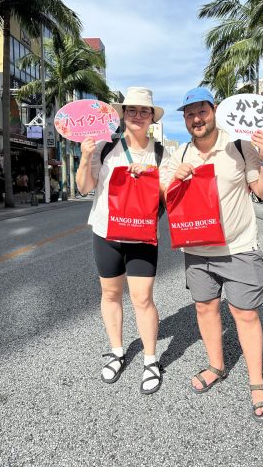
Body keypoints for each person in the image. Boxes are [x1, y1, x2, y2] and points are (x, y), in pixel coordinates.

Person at [167, 87, 263, 422]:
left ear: (214, 110)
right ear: (184, 119)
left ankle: (257, 383)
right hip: (196, 249)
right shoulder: (180, 153)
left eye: (202, 111)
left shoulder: (240, 145)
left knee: (245, 315)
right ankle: (217, 365)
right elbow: (162, 193)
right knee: (205, 308)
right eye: (189, 114)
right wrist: (174, 178)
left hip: (238, 247)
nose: (196, 119)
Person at [76, 87, 170, 394]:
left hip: (142, 234)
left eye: (145, 112)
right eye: (132, 111)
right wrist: (85, 157)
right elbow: (84, 188)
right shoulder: (105, 148)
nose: (138, 116)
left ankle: (150, 359)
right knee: (111, 294)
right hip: (106, 232)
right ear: (123, 115)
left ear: (152, 118)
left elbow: (170, 196)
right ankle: (116, 352)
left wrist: (150, 178)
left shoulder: (161, 154)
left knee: (142, 298)